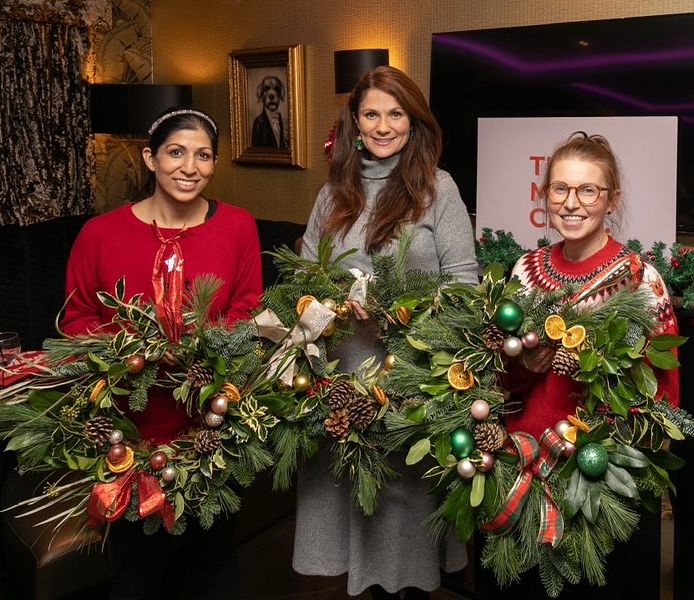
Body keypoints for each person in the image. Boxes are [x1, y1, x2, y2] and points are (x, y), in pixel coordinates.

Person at [293, 66, 479, 599]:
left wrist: (398, 313)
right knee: (346, 509)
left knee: (401, 521)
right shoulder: (334, 192)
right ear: (354, 120)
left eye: (395, 114)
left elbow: (463, 286)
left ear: (414, 121)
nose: (382, 125)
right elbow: (305, 276)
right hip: (335, 379)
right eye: (371, 113)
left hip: (408, 383)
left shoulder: (437, 188)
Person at [61, 108, 263, 599]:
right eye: (176, 152)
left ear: (214, 165)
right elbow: (76, 319)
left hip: (210, 431)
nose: (189, 166)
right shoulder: (99, 234)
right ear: (150, 158)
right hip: (128, 434)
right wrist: (133, 350)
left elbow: (247, 308)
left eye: (203, 155)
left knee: (214, 563)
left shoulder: (237, 227)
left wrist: (200, 349)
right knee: (138, 573)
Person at [501, 132, 679, 599]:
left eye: (588, 191)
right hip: (524, 471)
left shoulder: (640, 279)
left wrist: (596, 371)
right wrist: (529, 365)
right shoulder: (525, 272)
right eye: (560, 189)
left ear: (611, 199)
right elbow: (497, 376)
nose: (572, 203)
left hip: (597, 482)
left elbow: (663, 397)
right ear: (545, 197)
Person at [251, 74, 287, 148]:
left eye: (276, 89)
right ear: (260, 95)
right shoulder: (258, 122)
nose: (271, 94)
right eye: (266, 89)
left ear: (281, 94)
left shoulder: (280, 119)